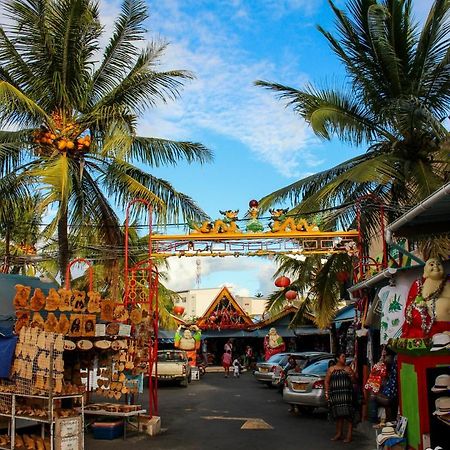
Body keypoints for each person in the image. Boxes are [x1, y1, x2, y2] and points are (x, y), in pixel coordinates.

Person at [325, 353, 356, 443]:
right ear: (338, 358)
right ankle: (339, 433)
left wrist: (352, 376)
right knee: (338, 415)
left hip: (346, 395)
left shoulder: (348, 369)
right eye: (343, 357)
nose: (345, 359)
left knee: (348, 415)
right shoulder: (331, 369)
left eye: (345, 357)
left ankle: (349, 435)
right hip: (336, 395)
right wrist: (327, 393)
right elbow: (326, 382)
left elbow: (354, 381)